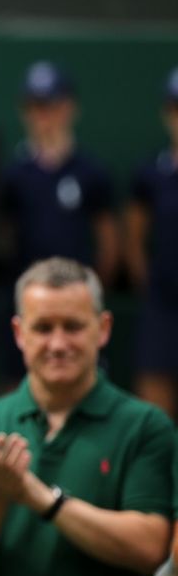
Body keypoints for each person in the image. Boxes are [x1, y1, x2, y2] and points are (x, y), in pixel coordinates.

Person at [0, 257, 173, 576]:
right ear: (18, 333)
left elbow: (150, 549)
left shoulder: (145, 425)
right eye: (43, 328)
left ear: (104, 328)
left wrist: (42, 498)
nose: (58, 344)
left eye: (73, 327)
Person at [0, 60, 117, 284]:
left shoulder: (91, 171)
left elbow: (107, 239)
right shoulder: (13, 174)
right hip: (28, 289)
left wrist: (93, 285)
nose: (42, 116)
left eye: (50, 106)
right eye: (34, 107)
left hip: (77, 287)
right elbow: (4, 236)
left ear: (69, 107)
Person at [125, 66, 178, 418]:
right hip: (163, 305)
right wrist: (153, 285)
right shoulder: (151, 173)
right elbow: (134, 239)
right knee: (156, 419)